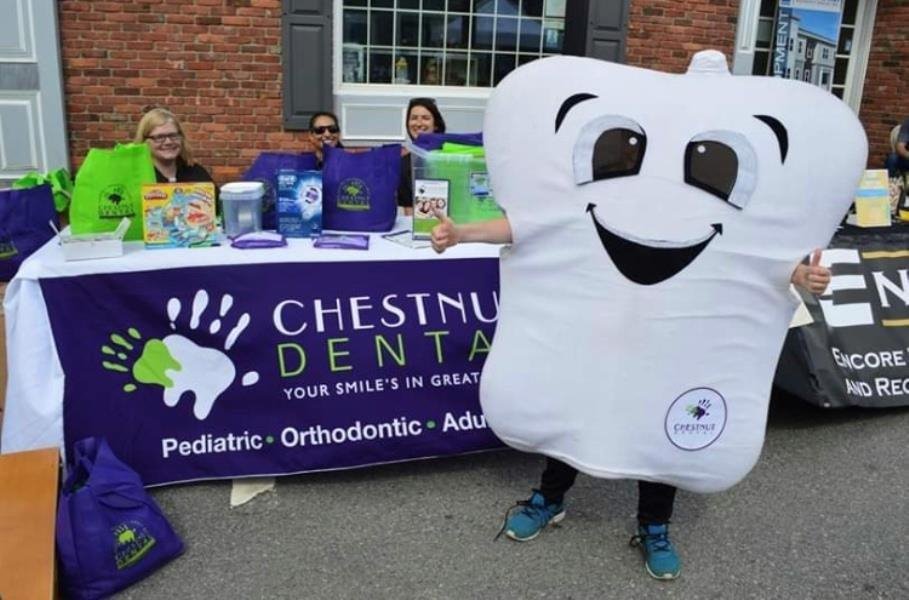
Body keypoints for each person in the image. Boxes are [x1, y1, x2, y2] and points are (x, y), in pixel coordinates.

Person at [430, 213, 832, 581]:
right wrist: (462, 233)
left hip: (675, 340)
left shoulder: (703, 190)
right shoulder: (605, 178)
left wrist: (797, 273)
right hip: (599, 332)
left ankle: (654, 527)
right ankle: (549, 499)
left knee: (661, 432)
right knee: (574, 416)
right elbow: (536, 222)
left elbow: (747, 246)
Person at [134, 107, 214, 184]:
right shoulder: (135, 176)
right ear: (145, 141)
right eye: (159, 137)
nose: (168, 142)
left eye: (173, 135)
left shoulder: (197, 173)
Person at [398, 98, 447, 215]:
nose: (419, 123)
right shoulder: (403, 163)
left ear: (435, 125)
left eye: (425, 118)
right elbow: (409, 211)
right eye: (414, 118)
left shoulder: (448, 157)